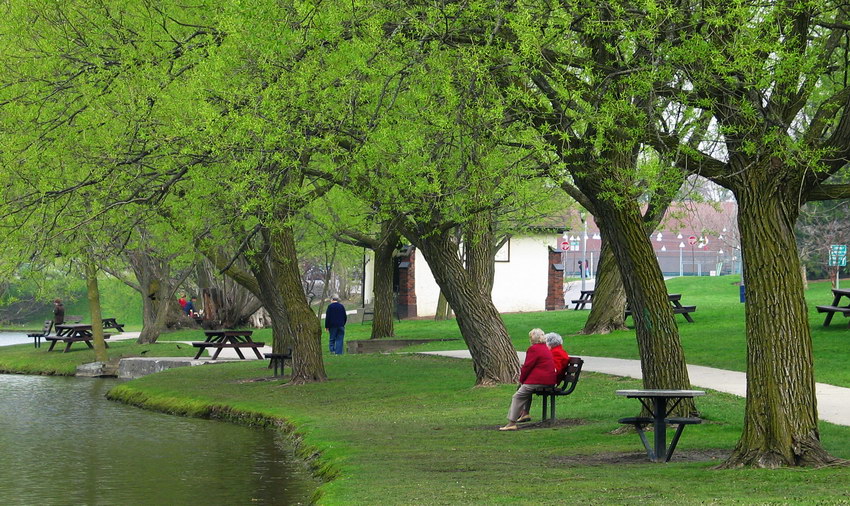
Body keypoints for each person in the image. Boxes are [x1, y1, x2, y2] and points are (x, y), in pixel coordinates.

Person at [500, 328, 556, 431]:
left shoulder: (534, 349)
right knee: (524, 390)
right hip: (549, 380)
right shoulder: (545, 348)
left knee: (517, 396)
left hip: (539, 381)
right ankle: (524, 413)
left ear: (533, 339)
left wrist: (521, 379)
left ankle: (512, 423)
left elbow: (527, 367)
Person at [515, 332, 570, 423]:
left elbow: (553, 369)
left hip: (550, 381)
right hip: (550, 379)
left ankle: (522, 412)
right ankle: (523, 412)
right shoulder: (556, 351)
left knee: (525, 385)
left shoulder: (556, 353)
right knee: (524, 384)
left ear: (549, 343)